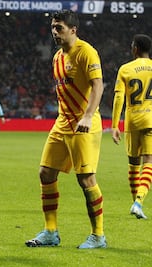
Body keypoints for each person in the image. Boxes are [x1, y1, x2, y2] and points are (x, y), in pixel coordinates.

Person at [25, 10, 107, 249]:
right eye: (52, 27)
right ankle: (51, 232)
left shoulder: (86, 52)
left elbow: (98, 85)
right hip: (62, 123)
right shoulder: (57, 57)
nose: (54, 32)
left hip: (84, 124)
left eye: (59, 28)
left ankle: (98, 235)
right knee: (45, 173)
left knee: (86, 179)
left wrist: (88, 116)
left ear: (73, 29)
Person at [111, 34, 152, 220]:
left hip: (132, 121)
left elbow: (119, 97)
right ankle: (138, 202)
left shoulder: (125, 69)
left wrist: (114, 125)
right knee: (149, 162)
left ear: (135, 48)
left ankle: (135, 203)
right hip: (150, 120)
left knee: (133, 164)